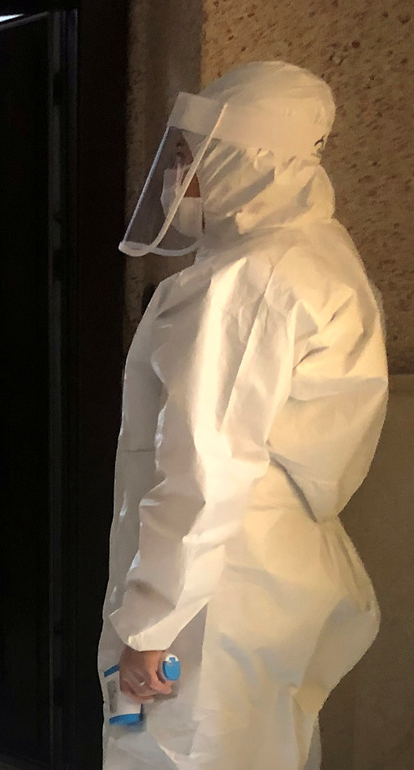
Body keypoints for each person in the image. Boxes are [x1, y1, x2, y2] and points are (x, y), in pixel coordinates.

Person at [100, 61, 388, 769]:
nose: (177, 177)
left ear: (246, 159)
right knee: (265, 747)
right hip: (270, 575)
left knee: (185, 749)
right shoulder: (315, 253)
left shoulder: (249, 281)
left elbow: (205, 468)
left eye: (189, 156)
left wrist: (150, 626)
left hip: (218, 587)